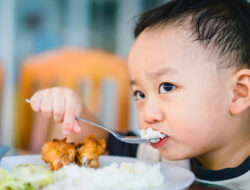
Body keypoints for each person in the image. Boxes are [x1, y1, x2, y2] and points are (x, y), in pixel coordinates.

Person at [29, 0, 250, 189]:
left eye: (167, 87)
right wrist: (76, 111)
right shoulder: (155, 156)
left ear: (238, 93)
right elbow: (102, 144)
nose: (148, 114)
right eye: (139, 94)